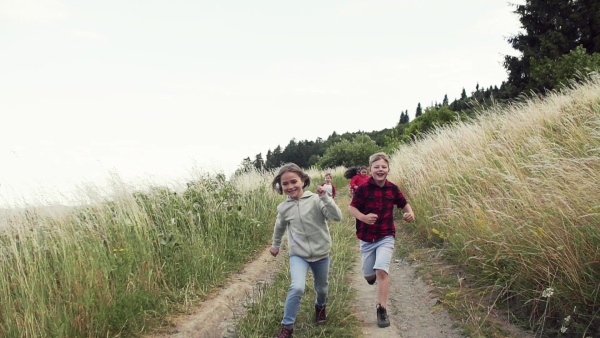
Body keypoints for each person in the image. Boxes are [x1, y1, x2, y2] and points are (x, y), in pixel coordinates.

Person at [270, 163, 343, 338]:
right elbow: (279, 228)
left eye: (293, 181)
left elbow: (337, 217)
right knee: (296, 287)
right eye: (285, 184)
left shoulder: (316, 200)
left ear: (303, 181)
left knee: (322, 288)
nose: (290, 186)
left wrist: (325, 198)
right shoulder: (283, 208)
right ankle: (287, 327)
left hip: (321, 254)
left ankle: (320, 307)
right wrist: (276, 244)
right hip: (299, 255)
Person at [348, 152, 415, 328]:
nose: (380, 169)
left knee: (381, 271)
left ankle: (382, 309)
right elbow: (352, 208)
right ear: (370, 170)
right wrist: (362, 217)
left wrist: (410, 213)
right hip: (367, 238)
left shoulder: (393, 189)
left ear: (388, 169)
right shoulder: (363, 189)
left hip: (386, 235)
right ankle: (370, 277)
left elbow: (404, 204)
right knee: (369, 274)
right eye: (376, 167)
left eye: (383, 167)